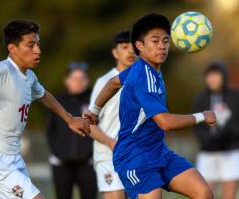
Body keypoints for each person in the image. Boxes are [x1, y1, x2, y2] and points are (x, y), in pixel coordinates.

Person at [83, 13, 216, 199]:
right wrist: (202, 116)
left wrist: (95, 110)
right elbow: (166, 122)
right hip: (134, 157)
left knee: (203, 193)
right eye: (155, 41)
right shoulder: (143, 78)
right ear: (139, 46)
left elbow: (113, 82)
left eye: (165, 41)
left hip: (158, 152)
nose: (162, 46)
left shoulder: (143, 69)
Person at [0, 20, 90, 199]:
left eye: (38, 44)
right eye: (31, 45)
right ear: (13, 49)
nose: (38, 50)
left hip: (14, 157)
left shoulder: (29, 76)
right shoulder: (1, 71)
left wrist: (70, 119)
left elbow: (43, 95)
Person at [88, 30, 135, 199]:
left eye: (134, 48)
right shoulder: (104, 82)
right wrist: (112, 143)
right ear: (115, 52)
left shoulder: (145, 81)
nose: (130, 52)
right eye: (124, 47)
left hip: (135, 155)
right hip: (109, 155)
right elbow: (89, 124)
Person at [46, 62, 97, 199]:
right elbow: (50, 131)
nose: (78, 82)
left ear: (87, 81)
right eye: (74, 78)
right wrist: (58, 153)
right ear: (66, 80)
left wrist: (89, 152)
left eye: (82, 79)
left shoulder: (94, 101)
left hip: (88, 164)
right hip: (62, 164)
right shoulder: (57, 101)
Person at [193, 61, 239, 199]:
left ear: (223, 76)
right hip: (208, 152)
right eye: (210, 76)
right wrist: (207, 139)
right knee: (204, 192)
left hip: (231, 151)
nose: (213, 79)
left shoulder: (235, 96)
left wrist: (227, 134)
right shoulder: (200, 98)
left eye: (216, 75)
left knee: (229, 194)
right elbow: (195, 123)